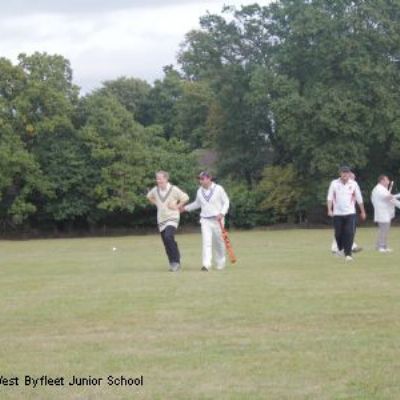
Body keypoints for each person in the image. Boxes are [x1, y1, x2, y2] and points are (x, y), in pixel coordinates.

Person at [181, 171, 230, 271]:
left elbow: (226, 202)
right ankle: (206, 264)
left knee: (219, 242)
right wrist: (185, 208)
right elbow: (197, 203)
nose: (201, 181)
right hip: (205, 220)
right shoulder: (199, 191)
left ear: (209, 178)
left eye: (203, 179)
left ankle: (220, 262)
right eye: (200, 179)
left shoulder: (218, 189)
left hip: (218, 220)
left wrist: (222, 213)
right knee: (206, 242)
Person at [147, 171, 189, 272]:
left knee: (168, 236)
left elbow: (186, 198)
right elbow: (149, 196)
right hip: (161, 219)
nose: (158, 180)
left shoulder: (173, 189)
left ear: (166, 179)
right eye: (157, 178)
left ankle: (176, 262)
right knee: (166, 242)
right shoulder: (155, 190)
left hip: (172, 217)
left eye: (160, 178)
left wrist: (177, 206)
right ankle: (172, 263)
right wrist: (157, 203)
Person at [327, 166, 366, 261]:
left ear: (349, 174)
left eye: (347, 172)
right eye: (343, 172)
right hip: (337, 214)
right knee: (338, 234)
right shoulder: (334, 183)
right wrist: (329, 209)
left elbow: (359, 198)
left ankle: (348, 255)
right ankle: (340, 249)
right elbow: (330, 198)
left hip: (350, 213)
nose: (345, 174)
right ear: (340, 173)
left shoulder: (354, 184)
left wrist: (363, 211)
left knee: (349, 233)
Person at [330, 171, 362, 253]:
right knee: (342, 231)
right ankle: (336, 247)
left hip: (350, 211)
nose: (353, 180)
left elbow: (357, 198)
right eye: (352, 178)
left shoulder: (353, 185)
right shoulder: (338, 185)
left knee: (349, 231)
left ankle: (350, 246)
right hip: (341, 213)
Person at [371, 175, 400, 252]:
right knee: (383, 230)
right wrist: (398, 195)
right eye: (387, 180)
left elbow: (391, 199)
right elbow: (389, 197)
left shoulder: (383, 189)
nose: (388, 181)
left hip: (385, 212)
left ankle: (384, 246)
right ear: (382, 181)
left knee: (385, 230)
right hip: (381, 212)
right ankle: (380, 247)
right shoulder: (378, 189)